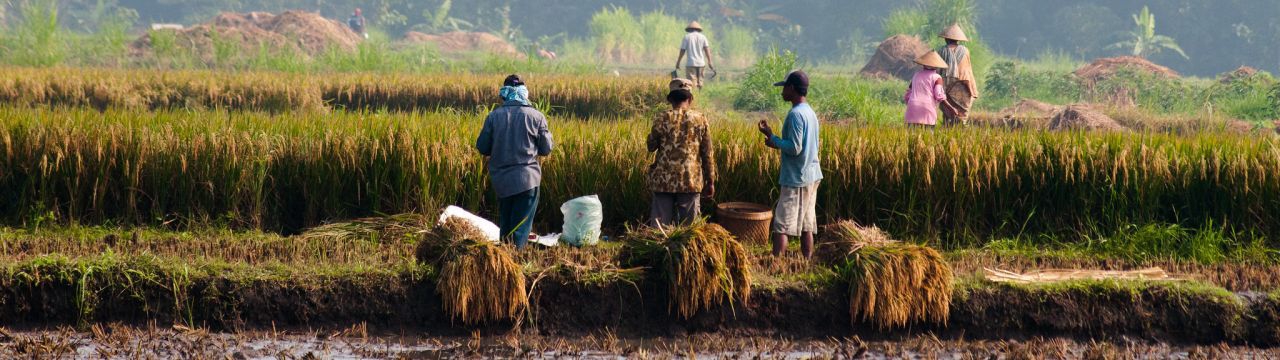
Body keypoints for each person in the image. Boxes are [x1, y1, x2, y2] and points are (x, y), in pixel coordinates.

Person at [476, 75, 553, 249]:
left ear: (504, 94)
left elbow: (482, 147)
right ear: (524, 93)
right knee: (520, 228)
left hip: (502, 181)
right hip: (527, 180)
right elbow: (546, 149)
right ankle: (514, 262)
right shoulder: (536, 117)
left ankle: (504, 260)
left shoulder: (493, 117)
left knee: (506, 225)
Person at [756, 70, 823, 258]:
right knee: (807, 224)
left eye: (784, 87)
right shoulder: (809, 112)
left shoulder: (795, 115)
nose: (782, 91)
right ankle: (807, 262)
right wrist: (771, 135)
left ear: (792, 88)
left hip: (797, 177)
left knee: (782, 223)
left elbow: (795, 147)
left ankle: (776, 263)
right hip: (812, 174)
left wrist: (774, 140)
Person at [646, 78, 716, 227]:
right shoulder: (700, 119)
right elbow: (707, 153)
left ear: (671, 99)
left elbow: (651, 146)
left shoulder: (662, 118)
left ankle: (659, 251)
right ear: (690, 98)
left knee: (659, 231)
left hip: (663, 181)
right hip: (690, 181)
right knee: (690, 232)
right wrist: (710, 181)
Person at [936, 24, 979, 126]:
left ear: (946, 39)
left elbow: (938, 70)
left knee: (947, 114)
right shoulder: (965, 51)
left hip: (946, 86)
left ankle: (947, 132)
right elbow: (967, 71)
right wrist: (971, 89)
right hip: (962, 86)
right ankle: (959, 132)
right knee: (961, 115)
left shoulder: (942, 51)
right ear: (958, 40)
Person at [903, 51, 951, 128]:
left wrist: (910, 103)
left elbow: (908, 92)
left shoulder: (916, 75)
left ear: (923, 65)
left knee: (911, 134)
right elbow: (939, 95)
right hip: (927, 106)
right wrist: (951, 108)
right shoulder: (937, 77)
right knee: (928, 134)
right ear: (936, 66)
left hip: (913, 105)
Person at [675, 21, 714, 90]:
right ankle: (699, 95)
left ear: (689, 29)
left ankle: (694, 97)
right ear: (698, 29)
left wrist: (678, 62)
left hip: (691, 63)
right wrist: (710, 61)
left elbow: (682, 50)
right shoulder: (703, 37)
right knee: (700, 81)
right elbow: (707, 49)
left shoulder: (687, 37)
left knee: (691, 82)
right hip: (701, 63)